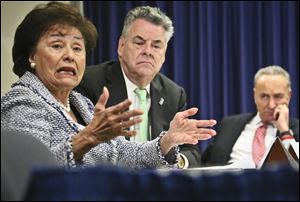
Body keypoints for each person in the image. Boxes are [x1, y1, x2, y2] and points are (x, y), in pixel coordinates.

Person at [1, 2, 217, 169]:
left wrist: (165, 142)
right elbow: (27, 173)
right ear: (32, 55)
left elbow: (121, 152)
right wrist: (87, 138)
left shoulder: (81, 103)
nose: (69, 56)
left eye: (77, 48)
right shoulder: (22, 102)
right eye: (57, 46)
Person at [77, 6, 211, 168]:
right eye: (139, 43)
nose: (147, 51)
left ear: (164, 54)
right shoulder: (91, 82)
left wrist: (176, 162)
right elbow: (81, 148)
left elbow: (190, 151)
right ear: (121, 46)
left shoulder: (173, 94)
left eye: (156, 46)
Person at [202, 65, 299, 167]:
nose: (271, 105)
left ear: (289, 96)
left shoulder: (296, 129)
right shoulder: (229, 124)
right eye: (264, 96)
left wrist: (284, 131)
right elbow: (206, 162)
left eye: (278, 96)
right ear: (254, 95)